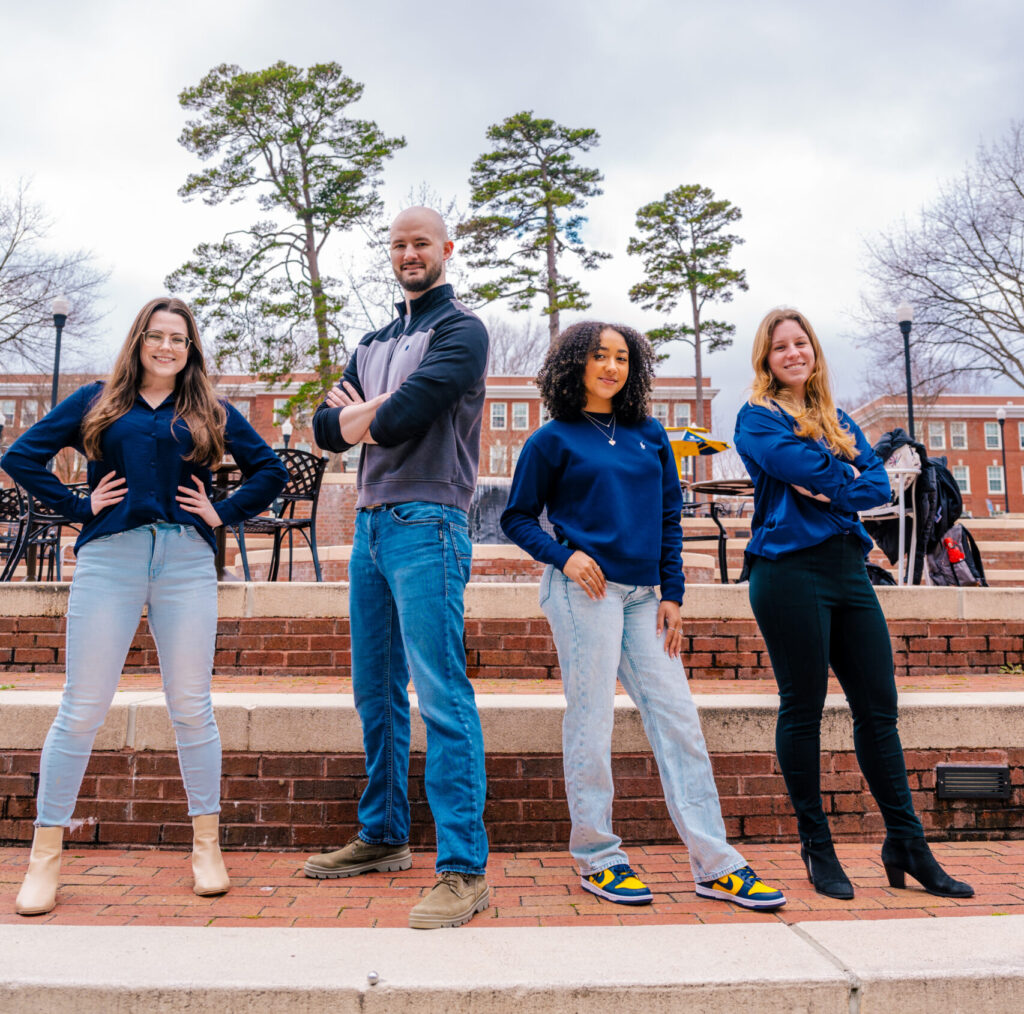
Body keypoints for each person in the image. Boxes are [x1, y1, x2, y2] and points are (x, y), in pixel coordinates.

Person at [1, 296, 288, 916]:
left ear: (191, 350)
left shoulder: (207, 408)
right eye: (156, 336)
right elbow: (20, 456)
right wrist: (81, 507)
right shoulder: (97, 401)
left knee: (191, 706)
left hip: (186, 561)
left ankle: (206, 847)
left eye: (178, 340)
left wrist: (225, 513)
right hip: (111, 560)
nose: (166, 347)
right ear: (139, 342)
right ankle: (45, 857)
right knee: (82, 707)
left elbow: (269, 469)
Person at [500, 320, 785, 911]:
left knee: (678, 717)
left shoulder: (650, 433)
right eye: (599, 355)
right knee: (592, 719)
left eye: (623, 358)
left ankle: (715, 863)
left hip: (644, 597)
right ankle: (598, 856)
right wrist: (565, 554)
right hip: (586, 591)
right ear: (574, 363)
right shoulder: (551, 439)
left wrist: (673, 595)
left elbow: (668, 520)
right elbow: (518, 517)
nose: (611, 366)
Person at [734, 306, 974, 900]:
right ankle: (817, 846)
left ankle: (907, 843)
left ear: (813, 351)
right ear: (765, 358)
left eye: (802, 343)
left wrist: (829, 479)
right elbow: (837, 477)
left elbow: (876, 484)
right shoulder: (756, 418)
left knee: (879, 709)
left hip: (849, 569)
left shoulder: (837, 417)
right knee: (804, 707)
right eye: (780, 346)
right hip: (787, 571)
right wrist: (842, 477)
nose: (793, 353)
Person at [307, 207, 490, 930]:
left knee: (441, 693)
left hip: (430, 523)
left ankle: (463, 869)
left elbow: (402, 417)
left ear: (446, 250)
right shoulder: (375, 339)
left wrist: (366, 412)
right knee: (374, 691)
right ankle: (383, 834)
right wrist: (364, 415)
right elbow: (326, 433)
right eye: (398, 244)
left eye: (421, 243)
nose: (409, 253)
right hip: (372, 524)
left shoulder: (462, 331)